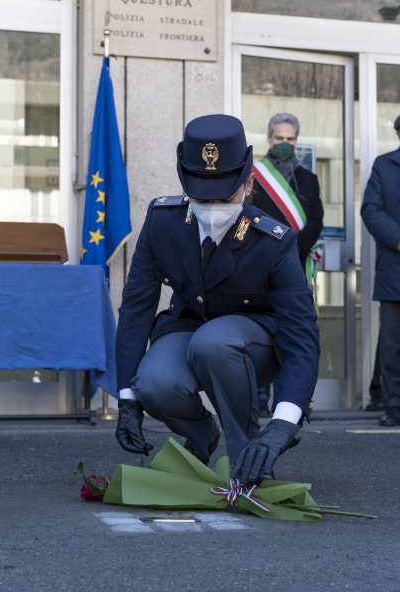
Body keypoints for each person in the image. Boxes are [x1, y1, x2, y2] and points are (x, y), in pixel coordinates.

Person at [114, 114, 320, 486]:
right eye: (201, 194)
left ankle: (247, 458)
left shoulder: (273, 240)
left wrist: (282, 425)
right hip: (190, 328)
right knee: (154, 382)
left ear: (248, 182)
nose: (212, 205)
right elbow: (136, 307)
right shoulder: (162, 222)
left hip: (254, 341)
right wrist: (127, 399)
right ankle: (202, 434)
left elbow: (302, 334)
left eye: (224, 194)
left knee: (216, 342)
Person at [250, 112, 324, 417]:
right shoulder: (254, 176)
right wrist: (276, 245)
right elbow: (248, 215)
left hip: (297, 266)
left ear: (297, 141)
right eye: (279, 138)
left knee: (292, 334)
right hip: (260, 266)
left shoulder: (308, 178)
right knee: (261, 333)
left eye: (290, 139)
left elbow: (317, 218)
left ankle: (290, 402)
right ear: (269, 139)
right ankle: (257, 401)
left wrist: (297, 247)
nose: (284, 143)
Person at [361, 114, 400, 427]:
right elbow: (371, 210)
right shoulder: (384, 166)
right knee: (393, 343)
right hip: (394, 272)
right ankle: (394, 406)